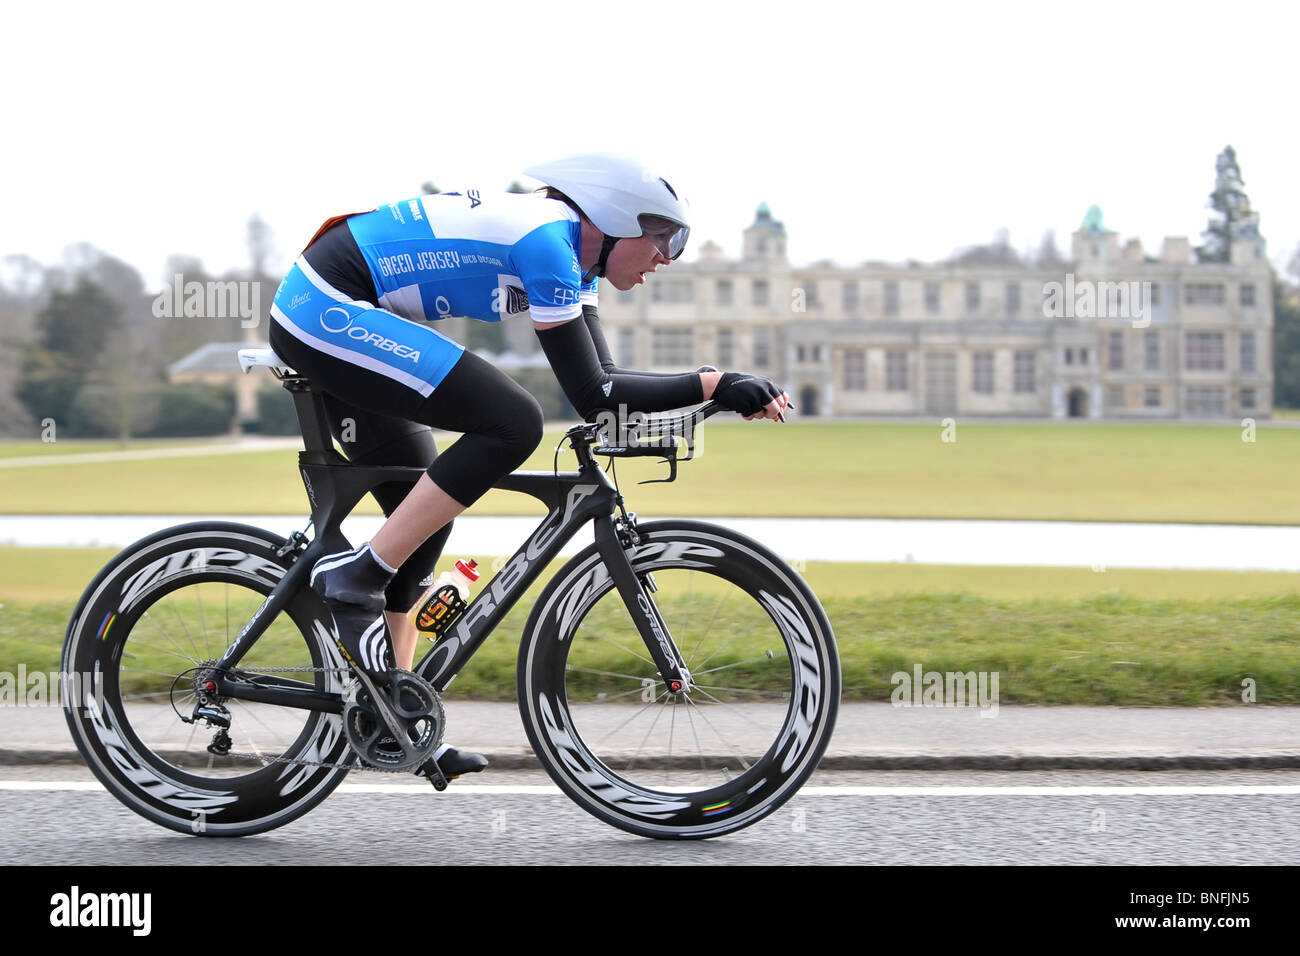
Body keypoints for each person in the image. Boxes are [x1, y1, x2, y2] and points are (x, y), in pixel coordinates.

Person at [266, 153, 790, 779]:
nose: (665, 258)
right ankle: (355, 577)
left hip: (358, 307)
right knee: (514, 423)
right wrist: (714, 382)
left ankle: (392, 717)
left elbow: (608, 385)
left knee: (423, 518)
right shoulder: (547, 242)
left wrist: (712, 390)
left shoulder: (572, 259)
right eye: (661, 239)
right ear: (615, 218)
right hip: (327, 305)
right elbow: (595, 396)